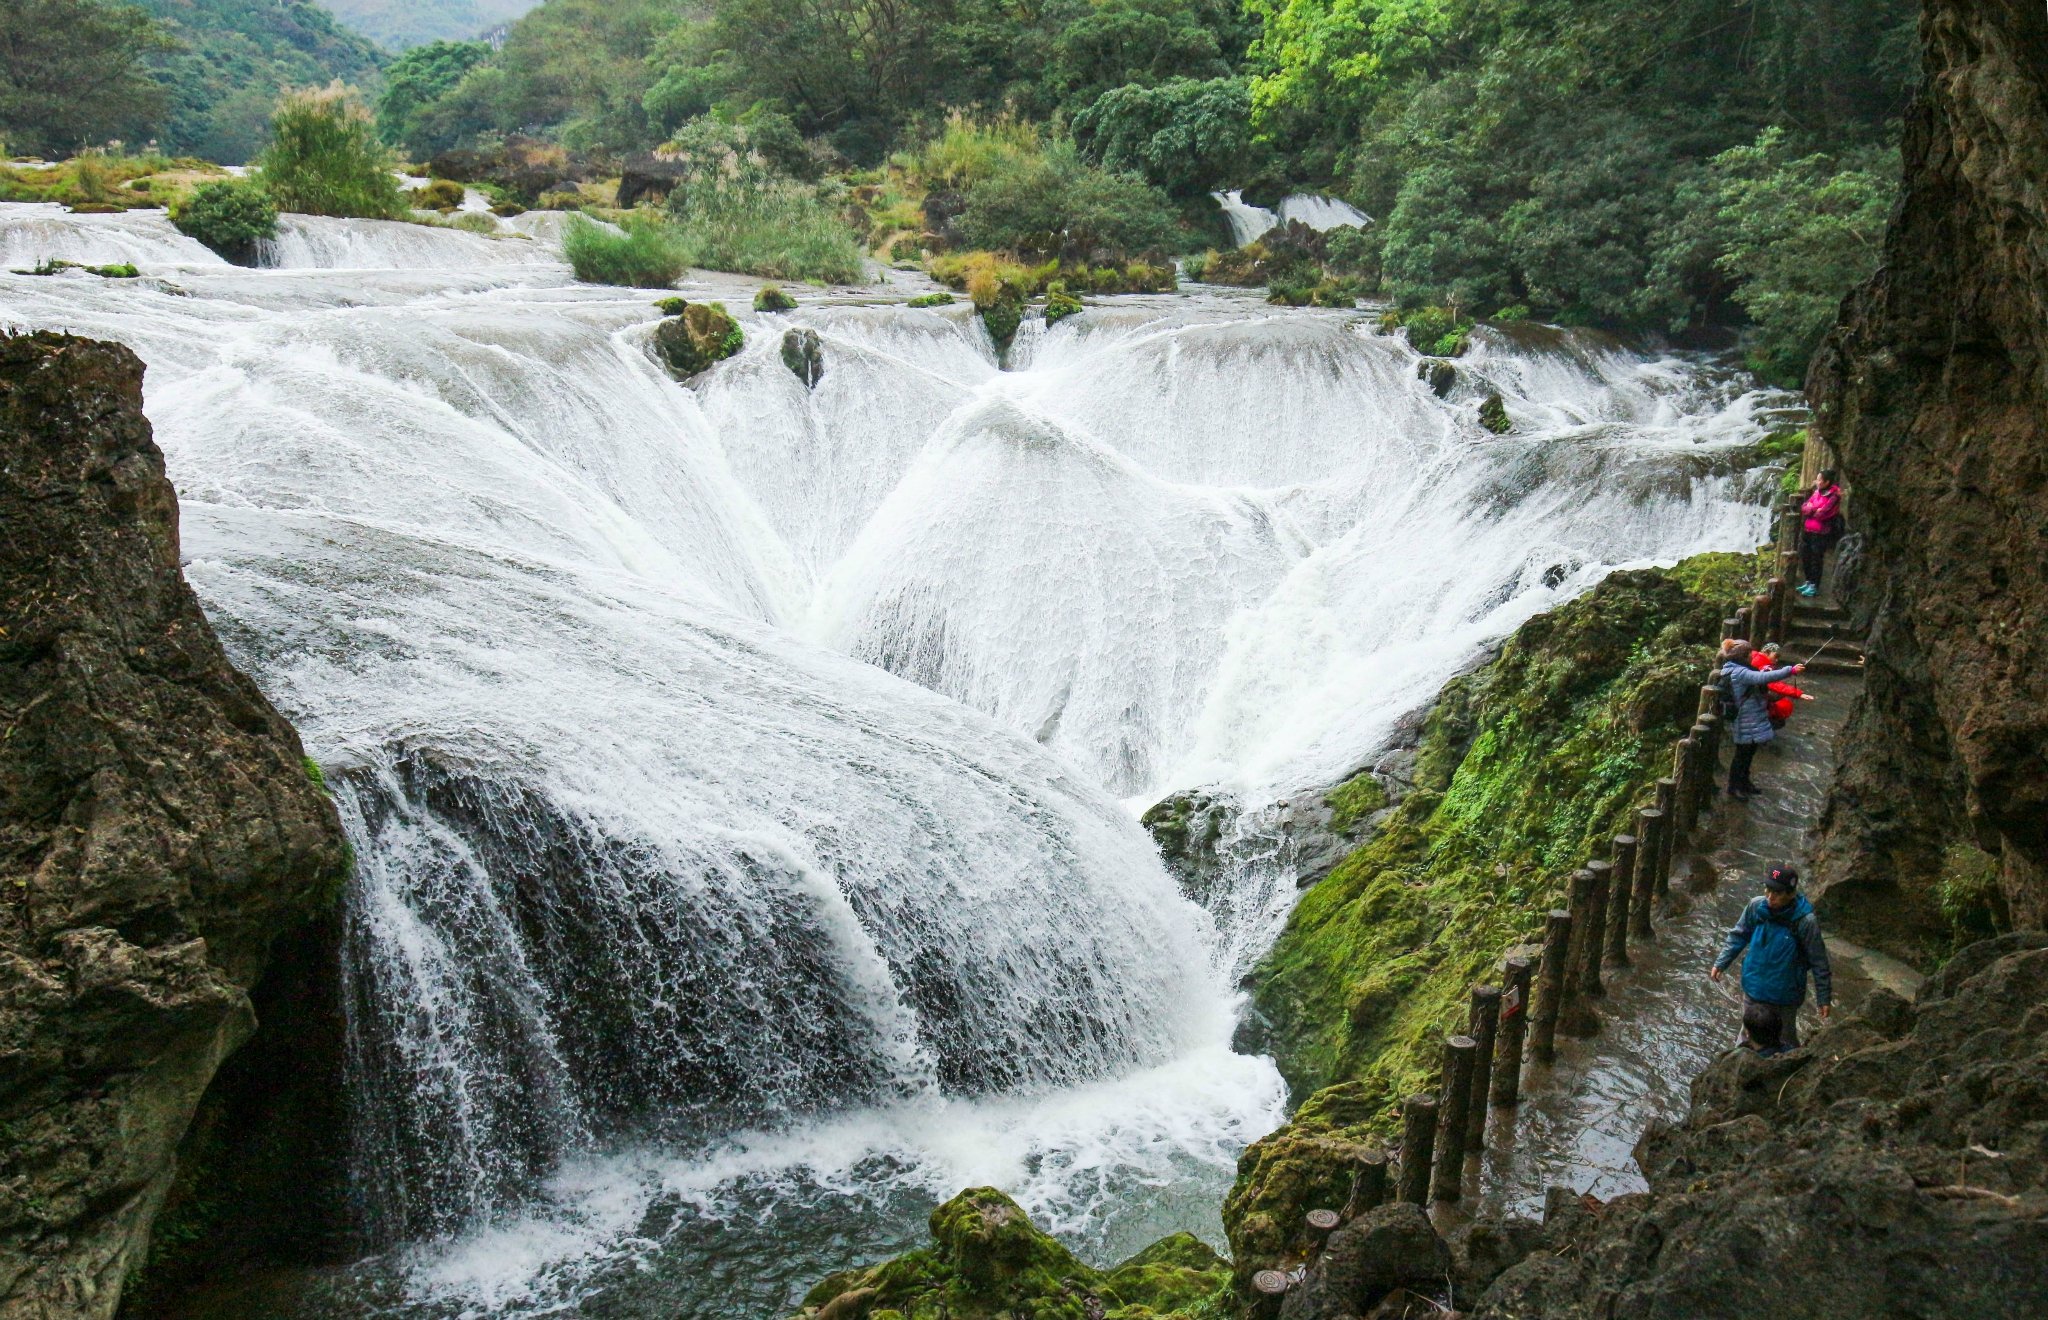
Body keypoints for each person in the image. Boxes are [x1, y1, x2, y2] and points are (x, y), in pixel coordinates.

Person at [1711, 865, 1832, 1048]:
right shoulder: (1755, 906)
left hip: (1784, 997)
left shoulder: (1805, 922)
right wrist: (1721, 962)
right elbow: (1739, 935)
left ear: (1790, 893)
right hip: (1754, 988)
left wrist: (1823, 997)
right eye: (1767, 889)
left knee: (1785, 1041)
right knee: (1746, 1037)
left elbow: (1818, 961)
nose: (1769, 897)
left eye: (1777, 892)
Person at [1721, 642, 1805, 799]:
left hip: (1751, 717)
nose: (1752, 656)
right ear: (1742, 656)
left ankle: (1744, 783)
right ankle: (1734, 787)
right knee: (1742, 754)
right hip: (1744, 718)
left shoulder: (1738, 668)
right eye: (1749, 654)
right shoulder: (1739, 672)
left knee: (1749, 752)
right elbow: (1762, 677)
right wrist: (1790, 670)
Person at [1798, 470, 1846, 597]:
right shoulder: (1817, 492)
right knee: (1805, 556)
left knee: (1816, 558)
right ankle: (1808, 581)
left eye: (1820, 480)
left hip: (1821, 532)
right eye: (1817, 479)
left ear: (1827, 482)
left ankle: (1814, 585)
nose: (1817, 482)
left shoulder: (1834, 496)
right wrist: (1813, 509)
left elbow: (1823, 513)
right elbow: (1804, 507)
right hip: (1808, 530)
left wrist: (1811, 508)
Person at [1752, 644, 1813, 729]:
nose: (1776, 660)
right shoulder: (1764, 667)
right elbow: (1773, 683)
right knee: (1782, 711)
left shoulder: (1753, 658)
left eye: (1778, 657)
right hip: (1755, 702)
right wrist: (1798, 693)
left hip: (1749, 698)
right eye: (1775, 656)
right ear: (1766, 653)